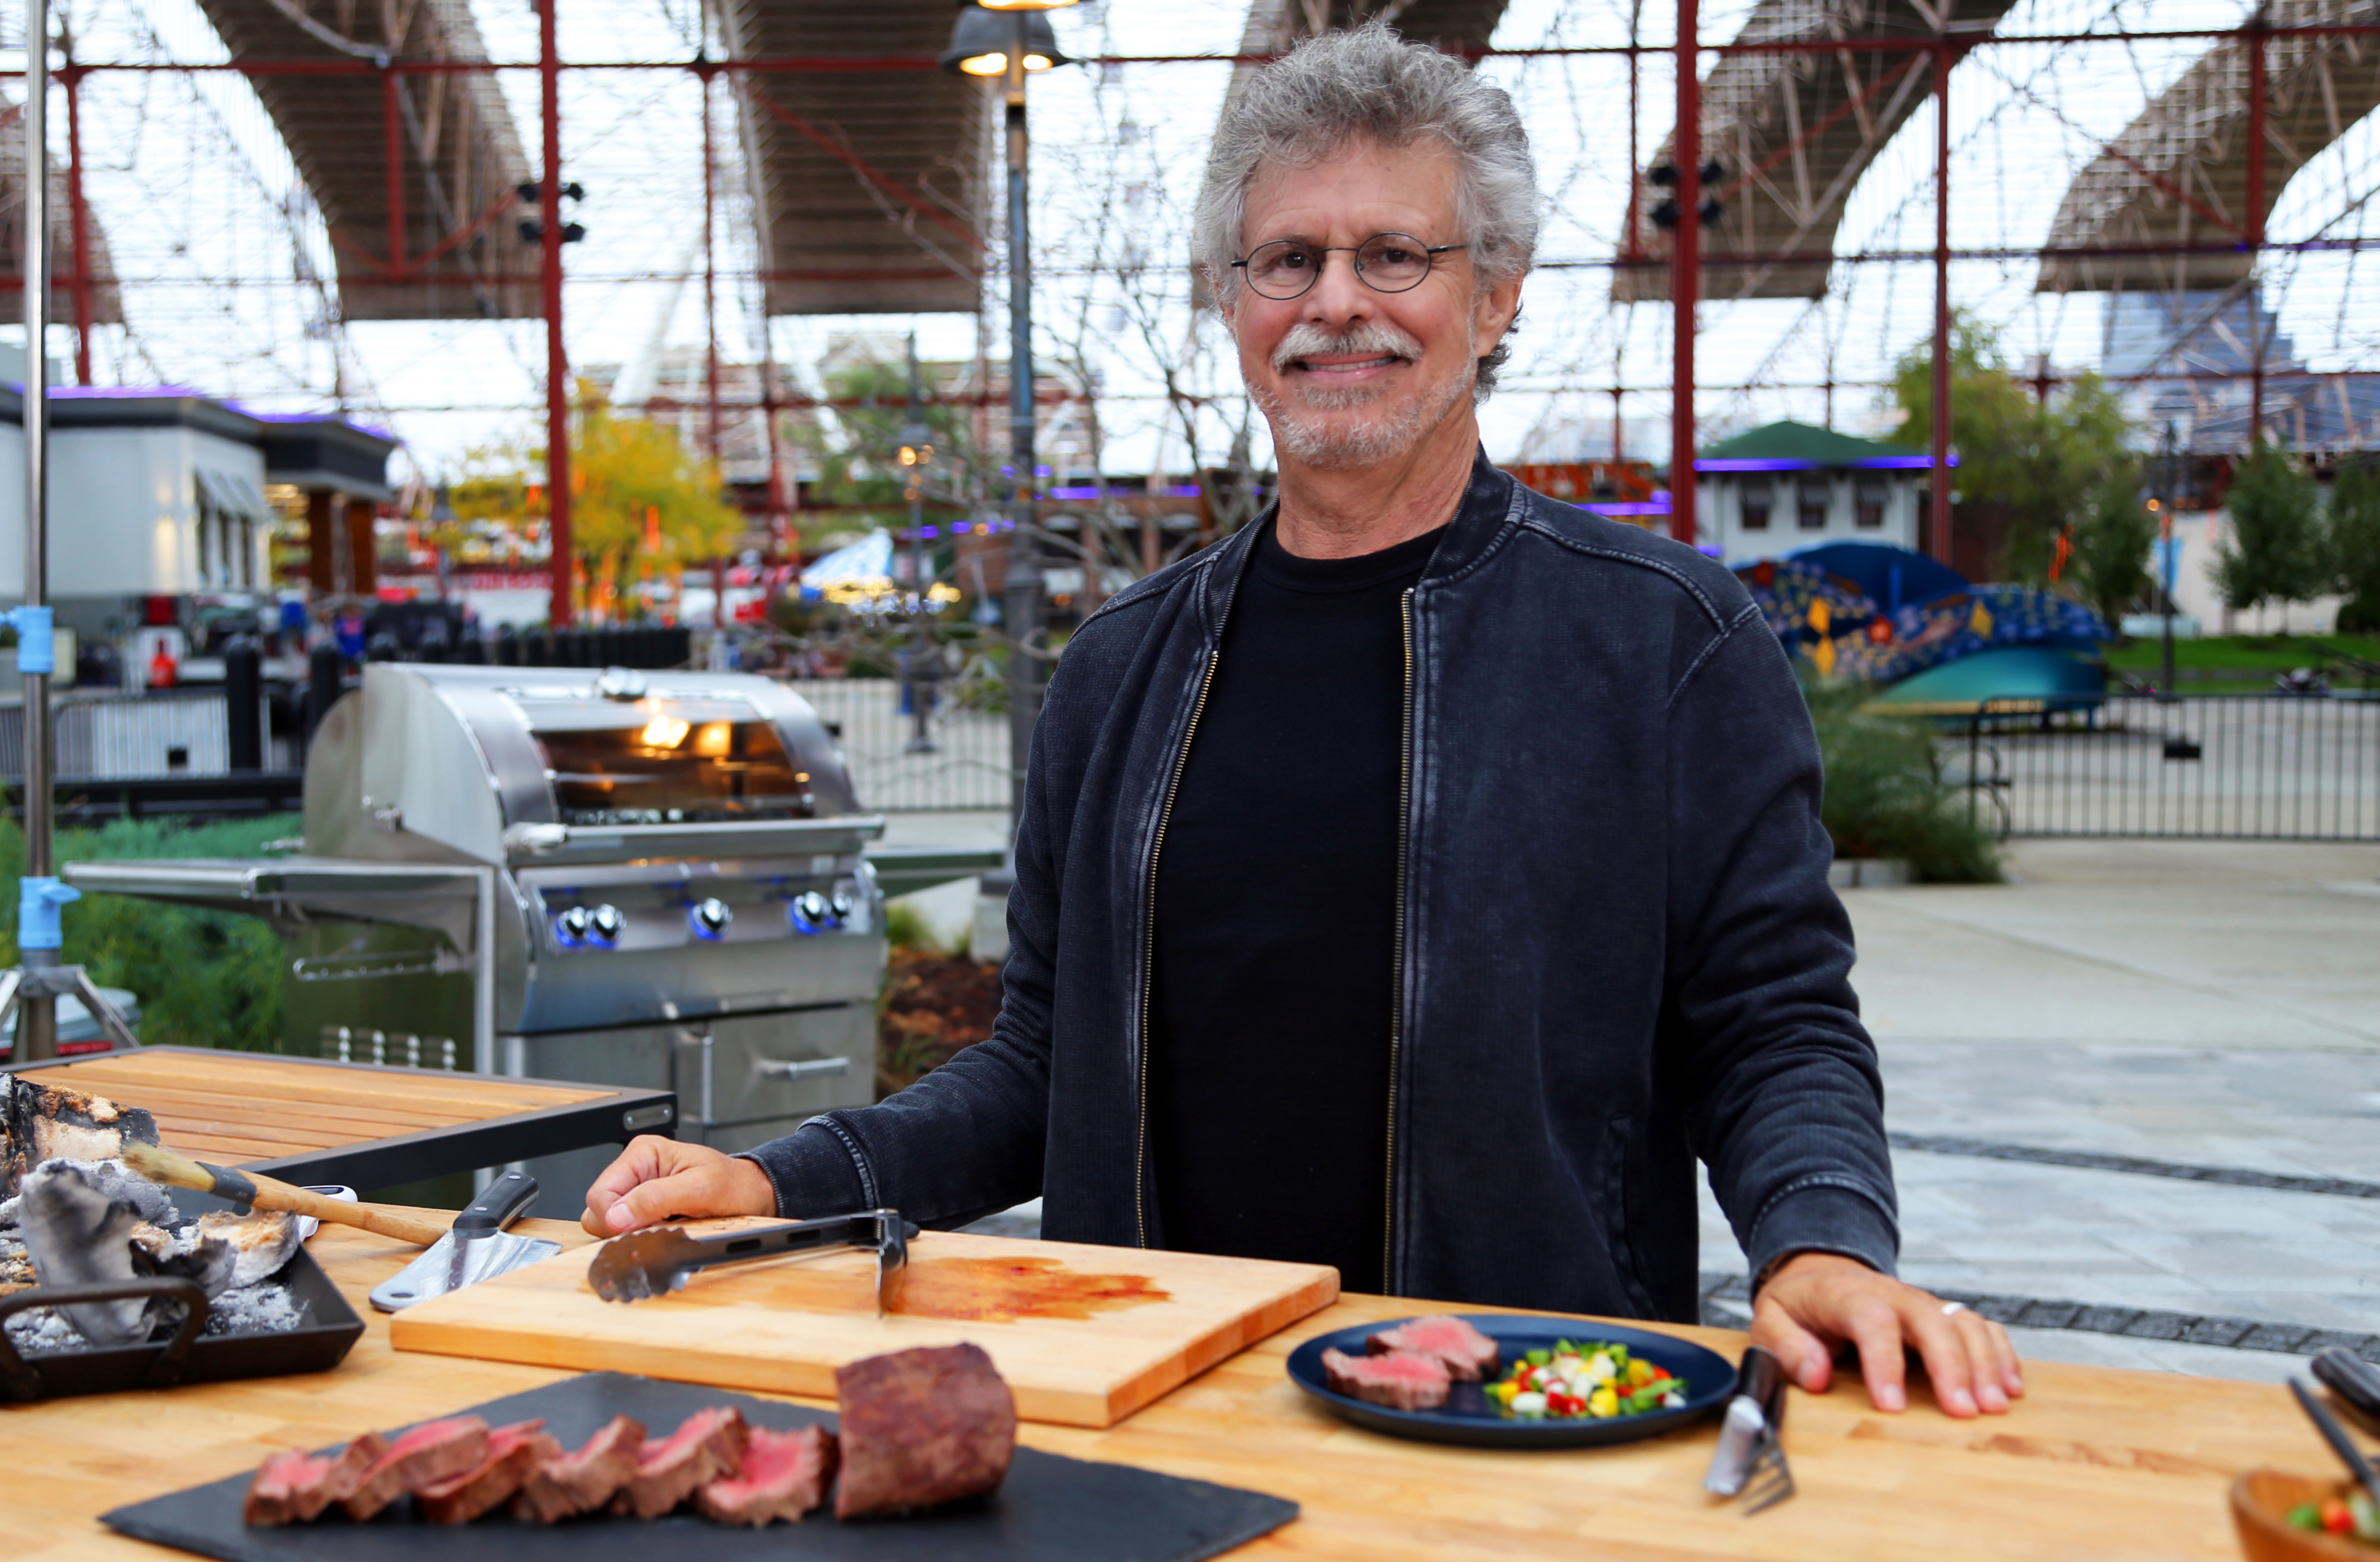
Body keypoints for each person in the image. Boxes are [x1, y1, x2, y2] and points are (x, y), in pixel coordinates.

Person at [583, 24, 2020, 1419]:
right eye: (1290, 259)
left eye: (1396, 254)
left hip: (1523, 1408)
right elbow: (1041, 1063)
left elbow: (1772, 1026)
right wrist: (786, 1182)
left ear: (1499, 295)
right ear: (1235, 301)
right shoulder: (1121, 672)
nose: (1339, 301)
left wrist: (1824, 1244)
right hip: (1163, 1399)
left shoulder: (1662, 643)